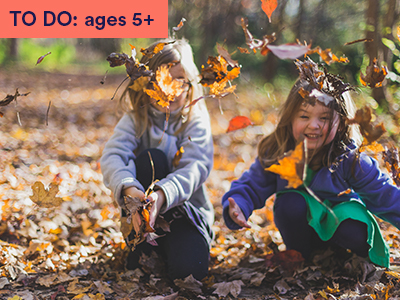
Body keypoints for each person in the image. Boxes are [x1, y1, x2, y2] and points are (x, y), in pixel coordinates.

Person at [222, 58, 400, 268]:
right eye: (304, 116)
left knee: (351, 223)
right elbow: (252, 184)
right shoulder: (280, 151)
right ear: (291, 118)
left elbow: (385, 196)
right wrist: (239, 205)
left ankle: (346, 257)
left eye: (324, 118)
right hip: (302, 229)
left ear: (342, 122)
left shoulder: (351, 159)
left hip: (342, 226)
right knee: (290, 204)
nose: (313, 125)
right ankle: (301, 255)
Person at [100, 38, 214, 280]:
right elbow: (113, 155)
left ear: (190, 82)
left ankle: (178, 249)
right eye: (159, 80)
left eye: (178, 80)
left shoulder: (195, 120)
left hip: (186, 216)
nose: (168, 90)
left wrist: (162, 196)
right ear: (144, 84)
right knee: (152, 158)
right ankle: (142, 245)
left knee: (190, 273)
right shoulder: (136, 119)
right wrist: (129, 188)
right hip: (141, 217)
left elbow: (195, 167)